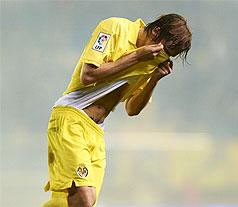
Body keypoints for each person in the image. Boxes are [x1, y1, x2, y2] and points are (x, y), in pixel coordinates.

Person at [42, 13, 192, 207]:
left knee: (72, 202)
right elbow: (88, 75)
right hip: (72, 118)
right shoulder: (114, 28)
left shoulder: (150, 60)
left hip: (96, 131)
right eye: (166, 50)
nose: (163, 57)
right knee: (84, 199)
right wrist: (137, 56)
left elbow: (132, 109)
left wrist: (154, 79)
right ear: (156, 32)